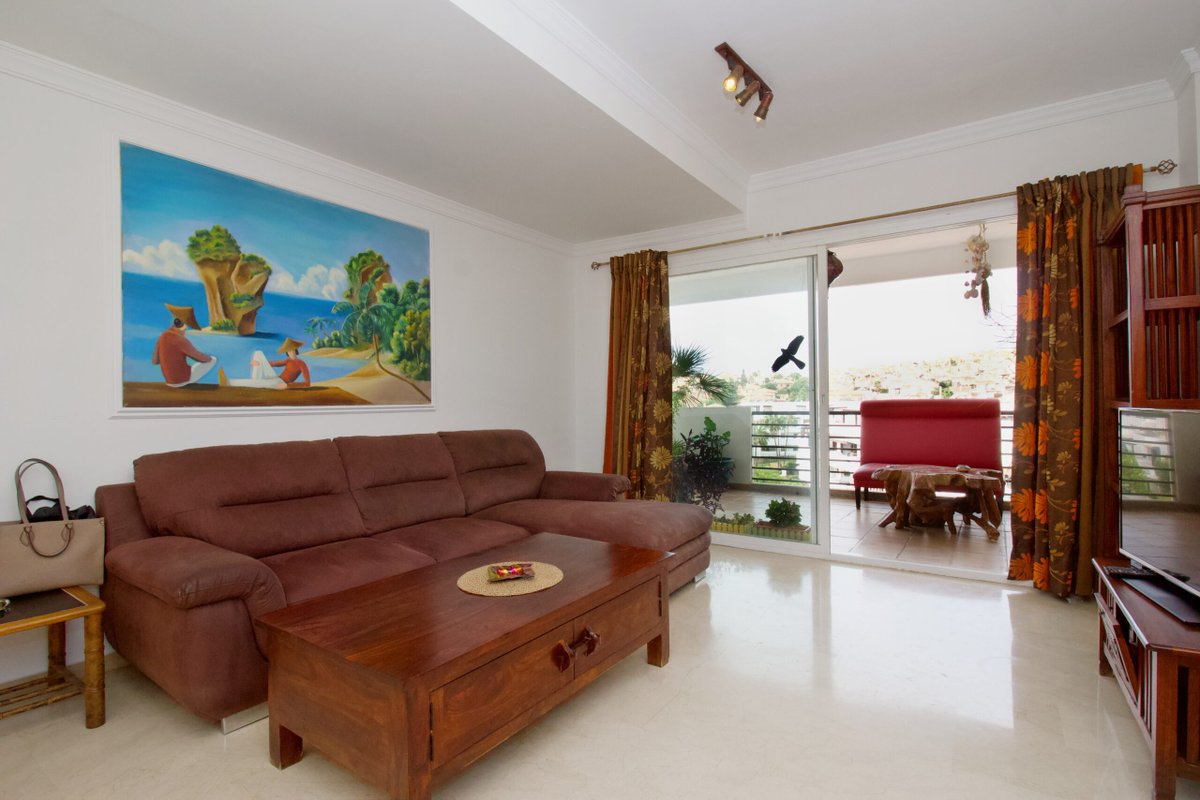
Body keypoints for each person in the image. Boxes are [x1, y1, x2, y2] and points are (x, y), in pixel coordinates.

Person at [152, 316, 216, 387]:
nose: (185, 331)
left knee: (194, 366)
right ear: (184, 325)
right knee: (213, 359)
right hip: (182, 380)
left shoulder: (162, 336)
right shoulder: (180, 339)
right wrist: (209, 358)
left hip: (169, 381)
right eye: (186, 328)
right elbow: (198, 356)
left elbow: (155, 361)